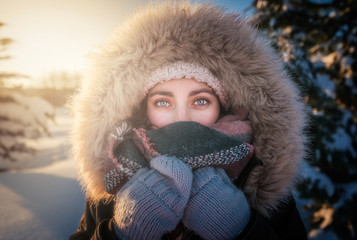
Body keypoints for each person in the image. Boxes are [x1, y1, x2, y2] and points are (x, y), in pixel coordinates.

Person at [69, 1, 308, 239]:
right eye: (163, 102)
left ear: (223, 109)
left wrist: (243, 230)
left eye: (201, 101)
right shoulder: (116, 174)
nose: (181, 118)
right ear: (144, 110)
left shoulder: (256, 180)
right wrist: (124, 233)